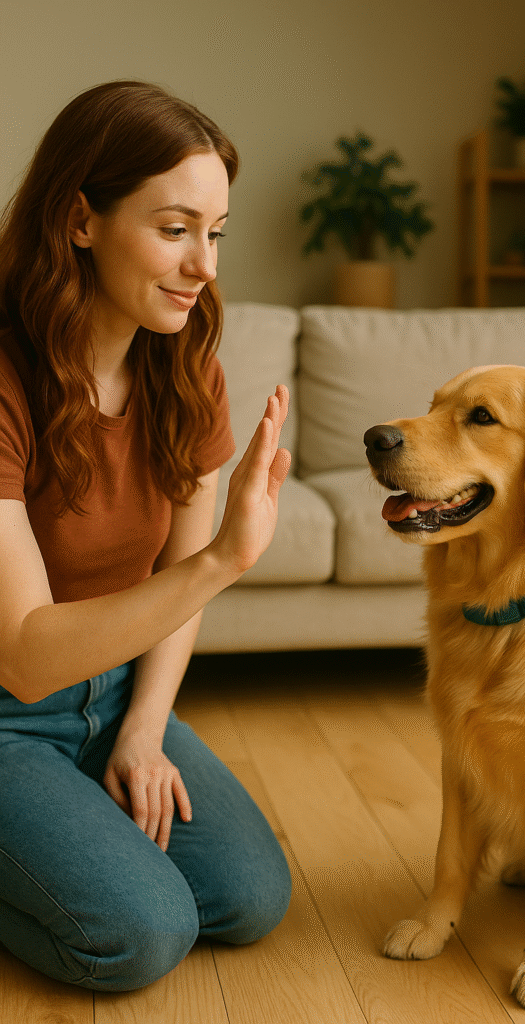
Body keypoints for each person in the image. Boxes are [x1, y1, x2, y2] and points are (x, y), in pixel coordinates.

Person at [0, 81, 292, 991]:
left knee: (247, 899)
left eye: (216, 232)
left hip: (115, 693)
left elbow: (172, 586)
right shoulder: (7, 381)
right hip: (9, 712)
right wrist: (223, 562)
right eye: (174, 229)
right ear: (80, 220)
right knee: (141, 934)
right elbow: (25, 656)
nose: (203, 264)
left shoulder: (184, 367)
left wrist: (143, 729)